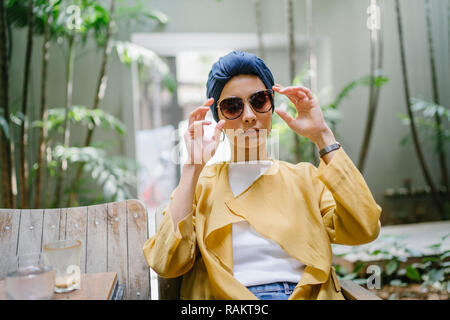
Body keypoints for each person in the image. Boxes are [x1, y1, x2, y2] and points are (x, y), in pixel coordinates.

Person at [143, 50, 381, 300]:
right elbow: (167, 262)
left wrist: (322, 135)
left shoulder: (305, 180)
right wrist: (192, 167)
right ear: (219, 118)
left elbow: (365, 227)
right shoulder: (202, 186)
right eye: (233, 106)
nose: (248, 116)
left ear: (271, 106)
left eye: (259, 101)